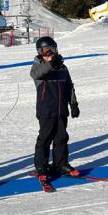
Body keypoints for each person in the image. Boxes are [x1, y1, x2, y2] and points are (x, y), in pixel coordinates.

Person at [30, 36, 80, 182]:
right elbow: (35, 74)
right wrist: (51, 64)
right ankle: (41, 167)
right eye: (46, 50)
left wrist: (73, 104)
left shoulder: (62, 67)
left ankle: (61, 164)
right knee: (45, 139)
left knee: (61, 138)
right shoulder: (38, 66)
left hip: (61, 110)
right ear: (40, 52)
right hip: (46, 110)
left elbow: (69, 86)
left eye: (52, 49)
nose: (50, 53)